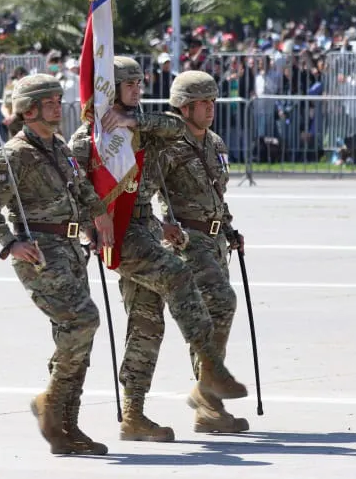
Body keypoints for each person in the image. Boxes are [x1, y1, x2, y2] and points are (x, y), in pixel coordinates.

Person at [69, 57, 246, 443]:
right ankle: (210, 374)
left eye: (139, 82)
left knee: (147, 326)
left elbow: (173, 126)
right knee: (182, 286)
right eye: (129, 84)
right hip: (119, 237)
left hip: (147, 231)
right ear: (109, 88)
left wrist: (134, 120)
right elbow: (73, 186)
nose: (138, 89)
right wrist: (89, 225)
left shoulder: (144, 129)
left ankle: (134, 415)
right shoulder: (91, 139)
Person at [0, 74, 115, 455]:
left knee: (75, 337)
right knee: (82, 321)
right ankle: (51, 405)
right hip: (40, 250)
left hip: (69, 247)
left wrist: (95, 220)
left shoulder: (60, 147)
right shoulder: (14, 155)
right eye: (49, 101)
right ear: (29, 110)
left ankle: (67, 424)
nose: (57, 106)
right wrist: (11, 242)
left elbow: (80, 190)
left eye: (57, 99)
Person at [158, 71, 249, 433]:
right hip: (187, 240)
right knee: (222, 304)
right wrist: (158, 227)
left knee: (211, 320)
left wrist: (229, 229)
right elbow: (141, 190)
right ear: (183, 107)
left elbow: (217, 197)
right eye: (202, 103)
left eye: (213, 101)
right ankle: (207, 394)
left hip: (215, 241)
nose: (210, 108)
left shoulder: (215, 143)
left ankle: (208, 403)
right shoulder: (168, 148)